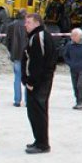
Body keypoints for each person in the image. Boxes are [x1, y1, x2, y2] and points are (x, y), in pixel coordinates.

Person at [22, 13, 57, 154]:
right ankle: (39, 140)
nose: (25, 24)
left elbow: (38, 62)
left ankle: (43, 144)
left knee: (38, 112)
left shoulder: (39, 37)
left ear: (37, 23)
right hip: (38, 81)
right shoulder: (35, 36)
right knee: (34, 113)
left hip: (39, 83)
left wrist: (32, 82)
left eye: (28, 22)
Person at [62, 28, 82, 110]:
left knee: (80, 84)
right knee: (75, 86)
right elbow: (65, 55)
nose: (72, 37)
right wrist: (70, 63)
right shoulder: (69, 45)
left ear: (79, 36)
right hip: (73, 68)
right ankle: (78, 101)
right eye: (71, 35)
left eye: (74, 35)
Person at [3, 9, 28, 107]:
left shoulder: (11, 26)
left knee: (17, 78)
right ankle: (27, 100)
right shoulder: (28, 26)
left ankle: (17, 100)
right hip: (27, 55)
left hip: (16, 55)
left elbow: (7, 41)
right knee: (27, 77)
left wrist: (11, 51)